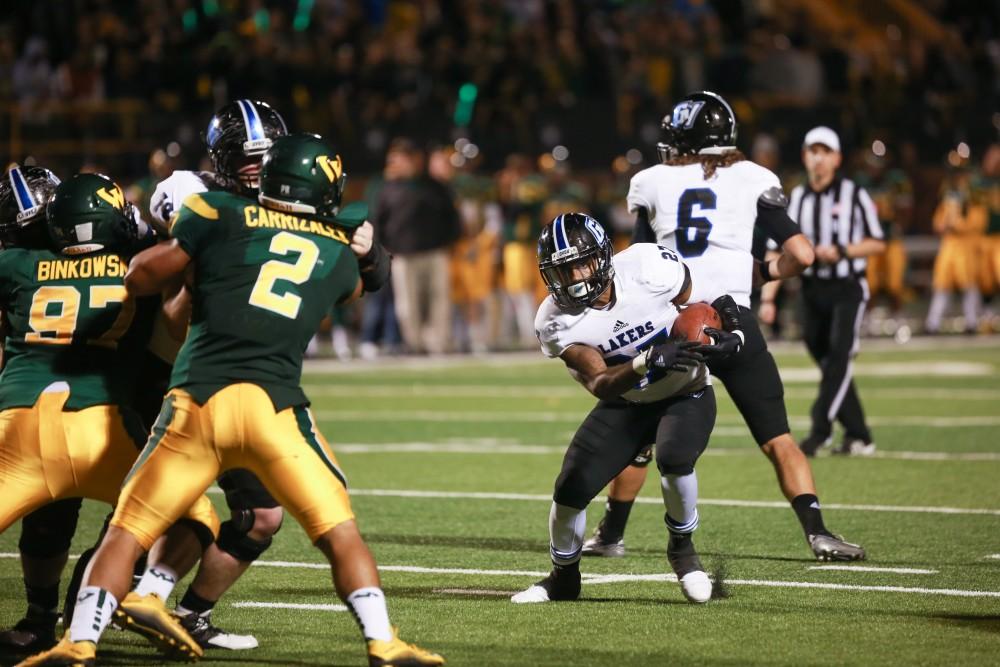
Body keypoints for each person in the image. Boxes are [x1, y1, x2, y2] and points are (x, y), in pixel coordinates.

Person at [18, 133, 443, 667]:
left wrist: (196, 268)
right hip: (275, 410)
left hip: (196, 401)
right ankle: (384, 641)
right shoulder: (334, 255)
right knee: (338, 529)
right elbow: (357, 287)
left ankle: (78, 640)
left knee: (128, 530)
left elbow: (141, 276)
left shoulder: (214, 213)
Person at [141, 98, 390, 651]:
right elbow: (158, 283)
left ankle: (184, 612)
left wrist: (371, 257)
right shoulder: (196, 197)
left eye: (264, 156)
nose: (255, 168)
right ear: (221, 159)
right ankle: (105, 609)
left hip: (245, 384)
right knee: (152, 509)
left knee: (261, 517)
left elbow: (371, 269)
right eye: (243, 157)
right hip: (174, 376)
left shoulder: (297, 196)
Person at [583, 92, 866, 562]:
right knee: (777, 438)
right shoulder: (755, 177)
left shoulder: (652, 181)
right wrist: (766, 273)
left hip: (673, 324)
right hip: (734, 320)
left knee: (640, 438)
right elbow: (803, 254)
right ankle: (818, 531)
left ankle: (611, 533)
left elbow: (639, 261)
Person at [0, 171, 221, 664]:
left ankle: (40, 619)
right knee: (197, 513)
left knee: (45, 521)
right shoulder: (136, 266)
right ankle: (138, 597)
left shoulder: (15, 263)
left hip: (20, 431)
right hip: (104, 429)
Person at [511, 213, 744, 605]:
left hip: (686, 391)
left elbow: (708, 295)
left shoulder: (647, 266)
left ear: (603, 256)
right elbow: (600, 382)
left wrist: (733, 333)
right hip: (627, 401)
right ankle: (564, 579)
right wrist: (644, 361)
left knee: (674, 457)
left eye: (581, 264)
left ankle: (683, 551)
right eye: (563, 271)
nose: (575, 278)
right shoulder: (555, 319)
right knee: (570, 488)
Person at [0, 166, 85, 655]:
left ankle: (50, 616)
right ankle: (88, 606)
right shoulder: (110, 254)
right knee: (156, 511)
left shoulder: (11, 263)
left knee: (47, 521)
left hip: (31, 414)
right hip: (105, 410)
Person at [783, 127, 885, 456]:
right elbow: (781, 246)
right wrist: (769, 297)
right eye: (813, 151)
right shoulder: (797, 198)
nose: (818, 158)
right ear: (804, 156)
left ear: (837, 158)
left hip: (847, 287)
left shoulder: (854, 194)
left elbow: (877, 242)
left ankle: (820, 430)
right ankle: (859, 434)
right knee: (828, 362)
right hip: (812, 289)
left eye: (825, 151)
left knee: (839, 357)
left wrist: (842, 251)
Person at [373, 137, 461, 355]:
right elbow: (379, 222)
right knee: (407, 305)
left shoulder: (434, 186)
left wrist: (449, 242)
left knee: (439, 301)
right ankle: (414, 344)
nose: (397, 164)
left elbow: (452, 218)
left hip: (435, 252)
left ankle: (438, 343)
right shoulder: (388, 189)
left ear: (414, 159)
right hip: (403, 255)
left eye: (401, 158)